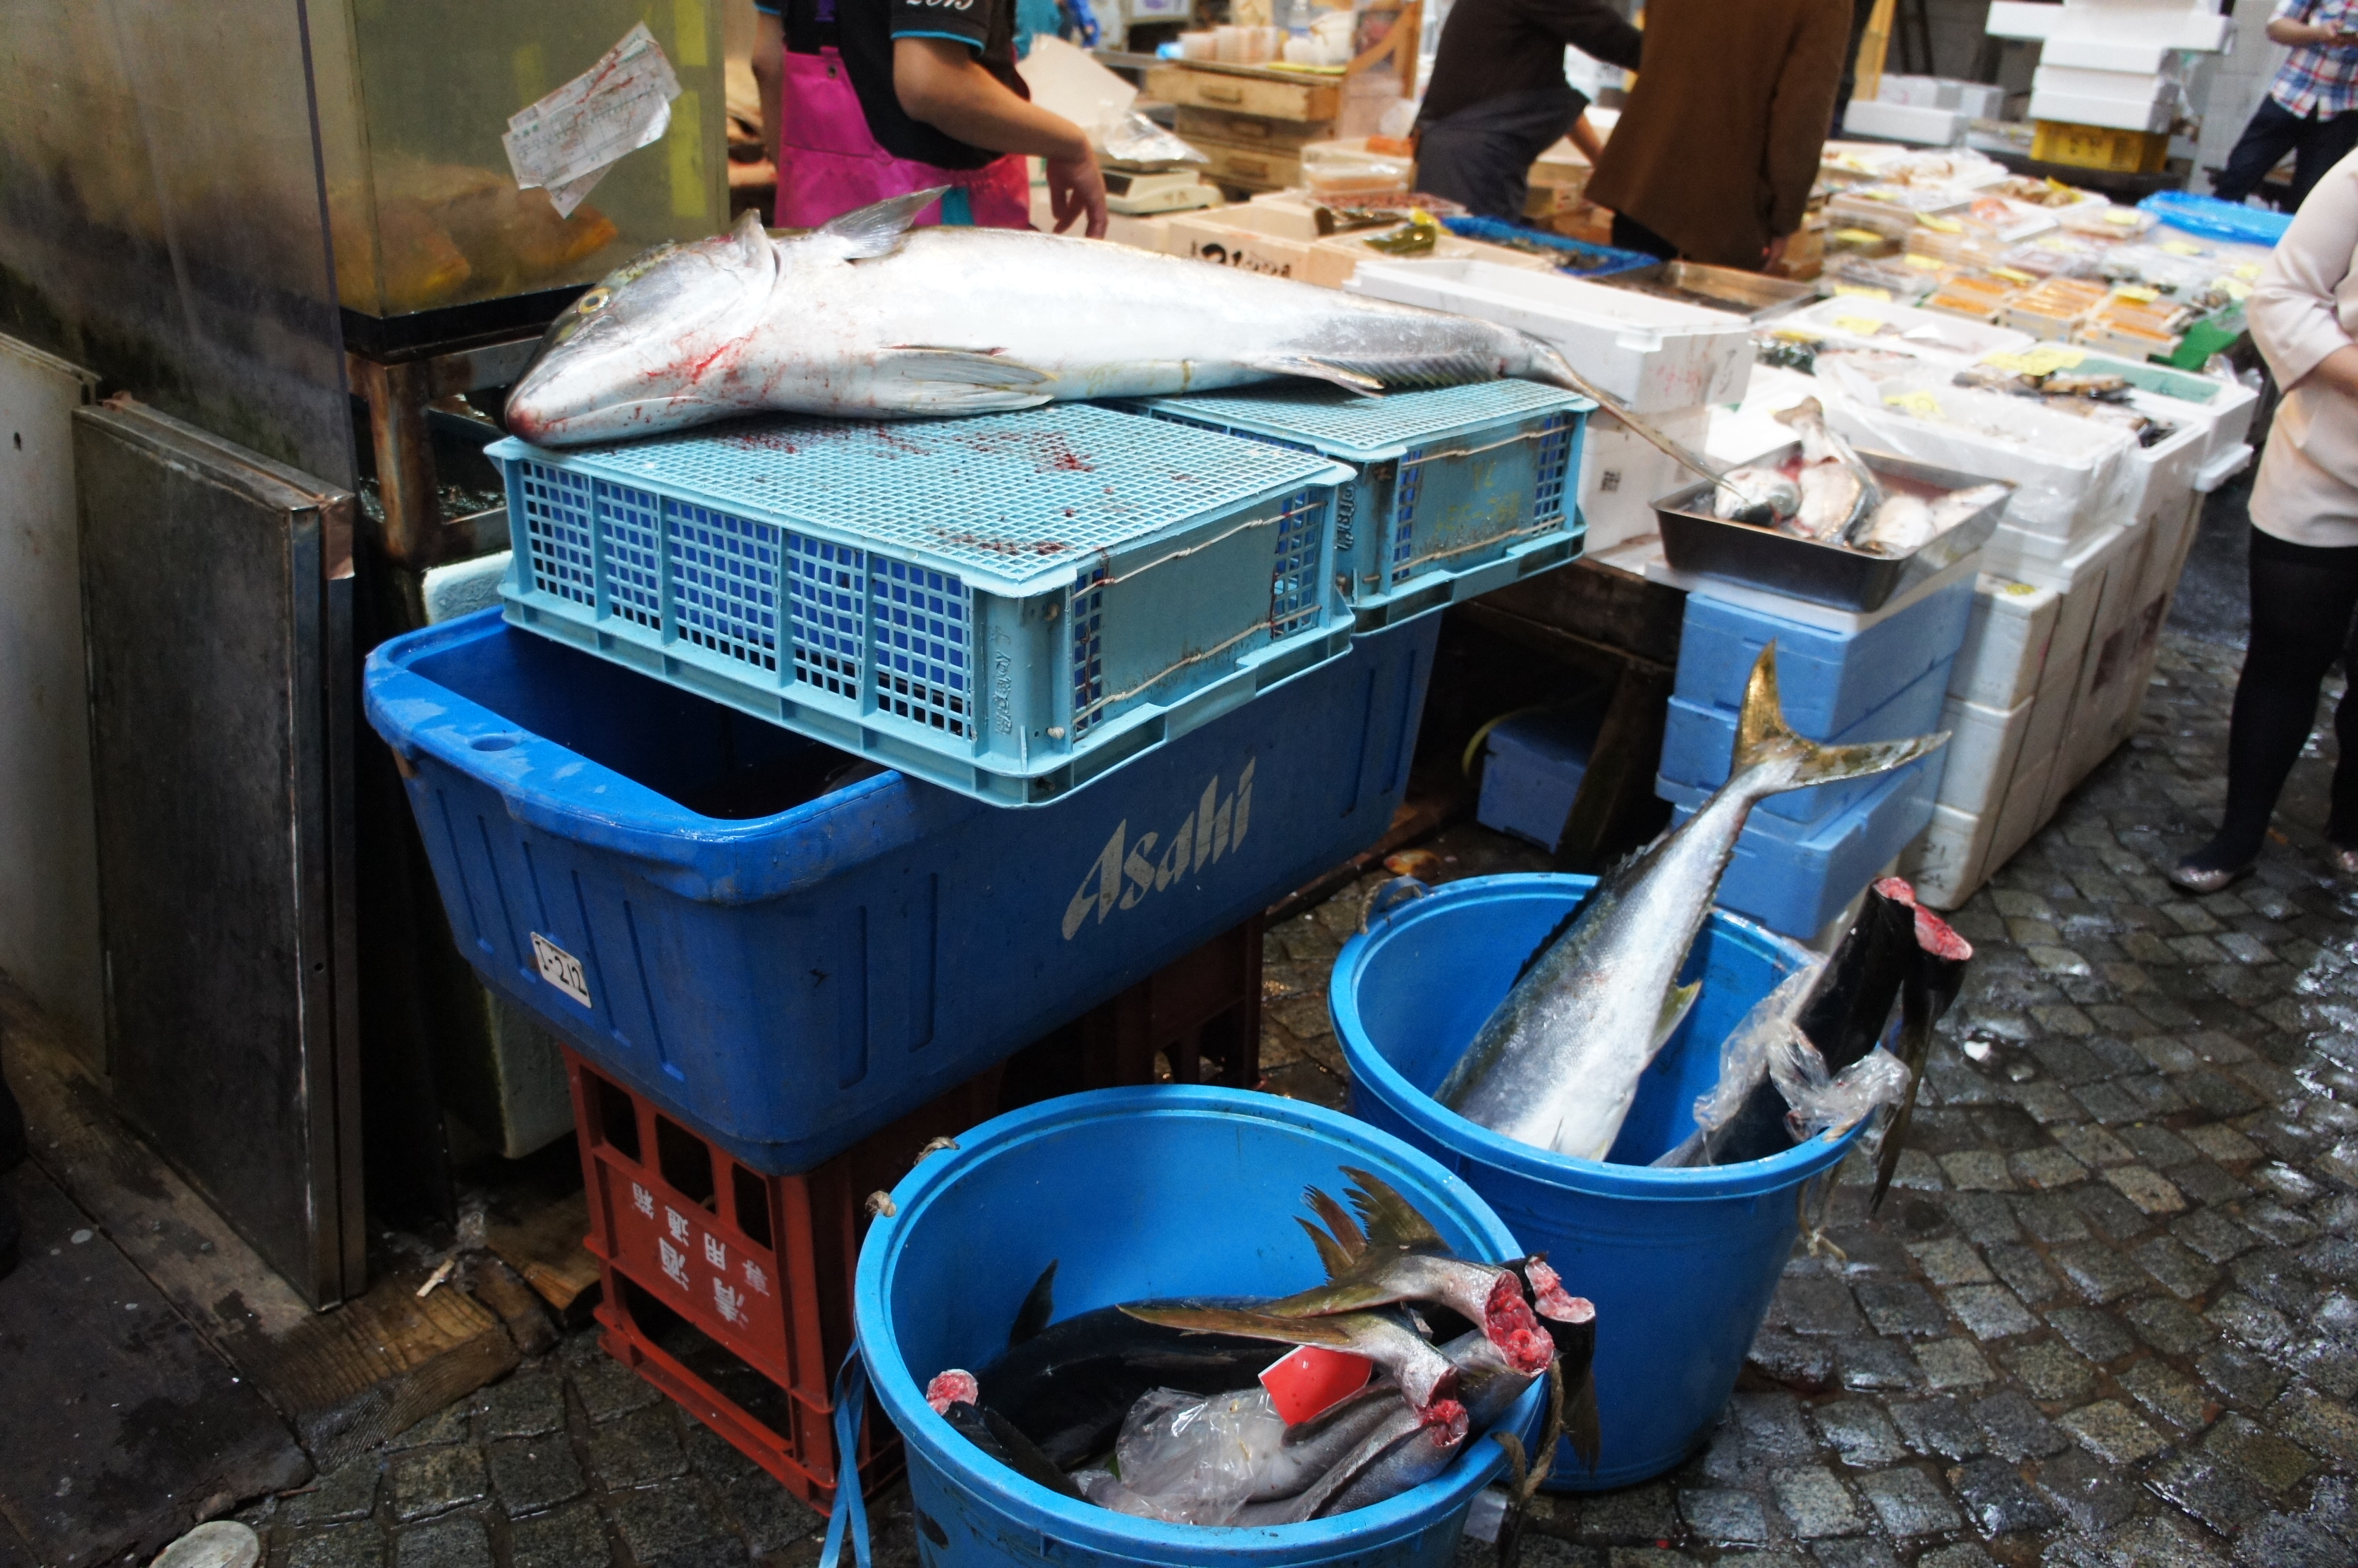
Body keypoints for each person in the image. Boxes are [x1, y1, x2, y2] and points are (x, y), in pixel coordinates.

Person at [2173, 151, 2358, 892]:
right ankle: (2239, 831)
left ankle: (2350, 820)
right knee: (2284, 655)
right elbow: (2281, 297)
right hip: (2326, 458)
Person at [751, 0, 1106, 236]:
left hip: (813, 236)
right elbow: (931, 84)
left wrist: (814, 185)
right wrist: (1070, 145)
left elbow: (769, 63)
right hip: (928, 244)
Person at [1584, 0, 1847, 269]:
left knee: (1627, 302)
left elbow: (1659, 47)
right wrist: (1785, 219)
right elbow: (1802, 116)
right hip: (1724, 207)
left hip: (1643, 178)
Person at [1413, 0, 1644, 222]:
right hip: (1469, 163)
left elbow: (1546, 88)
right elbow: (1619, 41)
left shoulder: (1527, 29)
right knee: (1468, 250)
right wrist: (1672, 62)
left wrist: (1599, 158)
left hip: (1462, 154)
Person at [2213, 1, 2358, 214]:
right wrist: (2317, 32)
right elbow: (2276, 26)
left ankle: (2285, 248)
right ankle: (2207, 237)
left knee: (2310, 205)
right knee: (2236, 178)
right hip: (2289, 94)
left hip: (2343, 108)